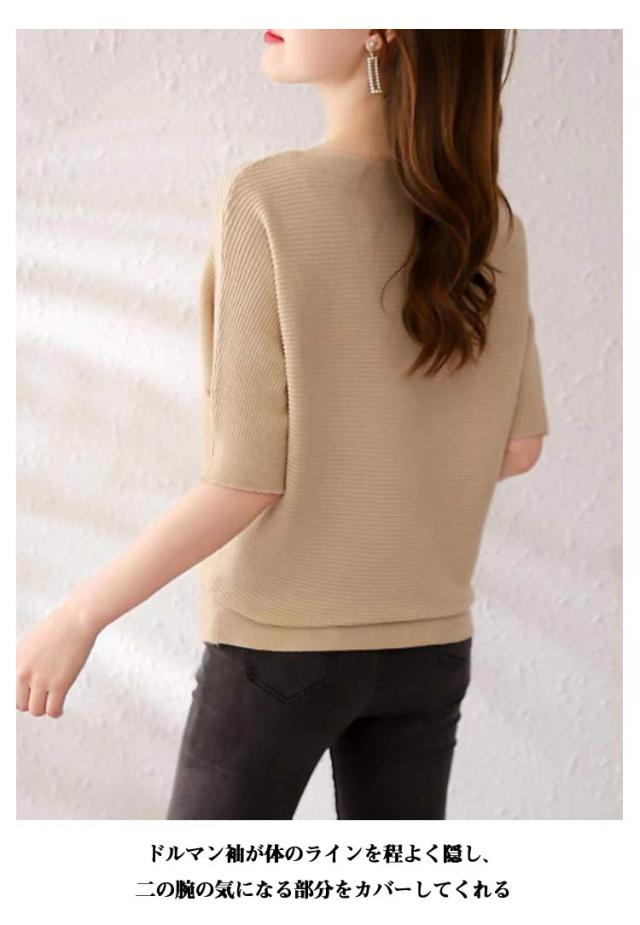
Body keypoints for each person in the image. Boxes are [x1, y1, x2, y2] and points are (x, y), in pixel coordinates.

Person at [16, 29, 550, 820]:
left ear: (382, 29)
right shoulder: (490, 224)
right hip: (432, 644)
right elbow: (518, 447)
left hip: (279, 649)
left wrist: (78, 614)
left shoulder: (268, 197)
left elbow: (245, 479)